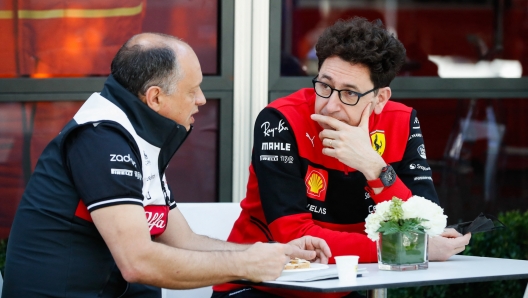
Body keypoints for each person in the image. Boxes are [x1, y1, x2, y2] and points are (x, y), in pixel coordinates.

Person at [1, 32, 332, 298]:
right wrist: (247, 263)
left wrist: (276, 254)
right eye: (193, 90)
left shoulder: (134, 132)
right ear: (155, 97)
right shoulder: (102, 138)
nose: (202, 99)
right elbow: (137, 262)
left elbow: (183, 239)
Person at [212, 17, 472, 298]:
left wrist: (374, 166)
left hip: (343, 285)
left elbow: (426, 224)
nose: (329, 105)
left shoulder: (402, 122)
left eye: (349, 93)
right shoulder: (280, 120)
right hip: (262, 285)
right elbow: (296, 239)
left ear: (380, 98)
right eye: (324, 86)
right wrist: (402, 249)